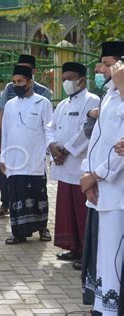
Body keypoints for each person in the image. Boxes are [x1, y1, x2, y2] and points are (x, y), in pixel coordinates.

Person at [80, 40, 124, 316]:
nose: (104, 69)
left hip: (116, 191)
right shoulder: (110, 96)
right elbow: (98, 141)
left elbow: (120, 148)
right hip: (102, 188)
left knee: (114, 258)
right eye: (105, 64)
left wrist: (97, 174)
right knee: (104, 257)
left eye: (110, 65)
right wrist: (88, 173)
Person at [45, 62, 100, 270]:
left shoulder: (92, 100)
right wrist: (52, 146)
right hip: (63, 165)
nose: (66, 82)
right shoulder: (63, 104)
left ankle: (86, 251)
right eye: (64, 78)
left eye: (70, 78)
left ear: (82, 80)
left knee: (81, 209)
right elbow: (50, 126)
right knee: (67, 210)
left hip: (78, 164)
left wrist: (66, 149)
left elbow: (87, 132)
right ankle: (72, 247)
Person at [0, 54, 52, 219]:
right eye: (14, 82)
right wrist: (0, 148)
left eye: (20, 81)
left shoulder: (43, 98)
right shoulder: (10, 99)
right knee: (14, 190)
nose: (16, 85)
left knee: (38, 192)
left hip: (35, 156)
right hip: (14, 155)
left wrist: (49, 153)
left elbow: (49, 128)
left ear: (31, 78)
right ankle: (18, 230)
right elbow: (3, 122)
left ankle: (42, 228)